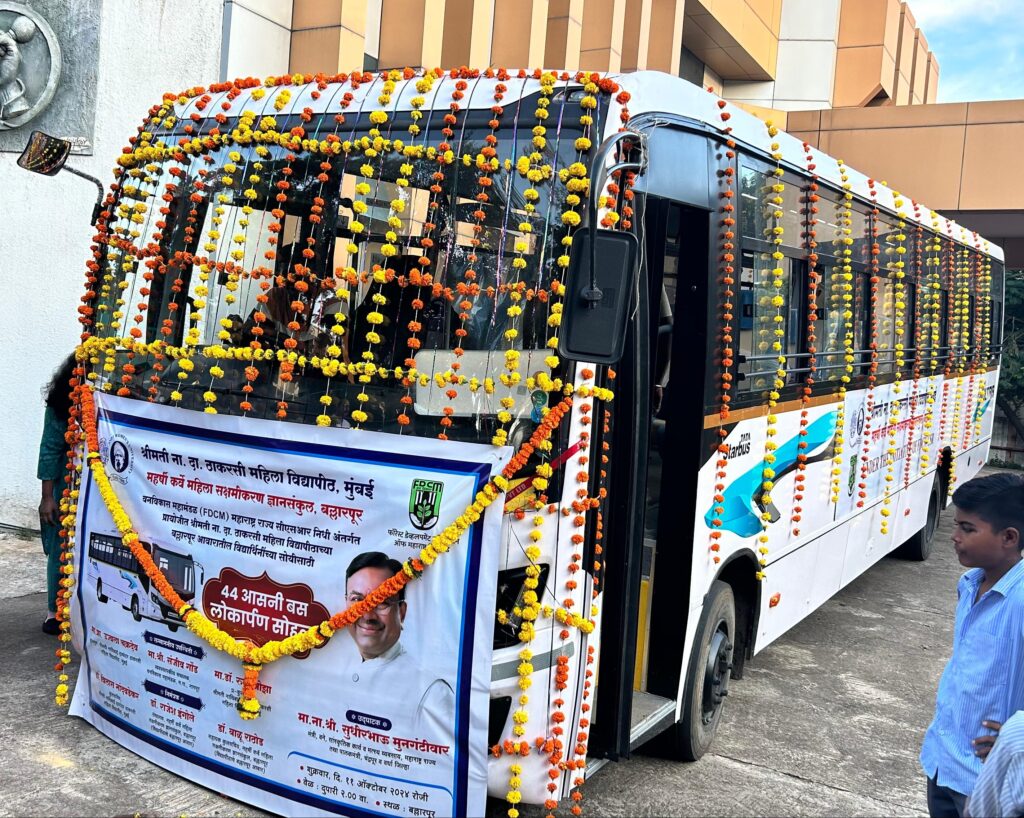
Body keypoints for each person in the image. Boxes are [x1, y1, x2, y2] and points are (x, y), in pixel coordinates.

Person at [920, 472, 1024, 817]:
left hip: (986, 779)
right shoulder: (969, 584)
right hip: (943, 761)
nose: (954, 536)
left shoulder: (1021, 601)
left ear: (1009, 537)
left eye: (968, 528)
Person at [343, 551, 455, 740]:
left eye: (382, 603)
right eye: (357, 600)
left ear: (401, 612)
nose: (367, 615)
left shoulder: (432, 693)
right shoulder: (324, 667)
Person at [38, 354, 76, 635]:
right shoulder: (62, 404)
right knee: (61, 547)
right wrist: (48, 497)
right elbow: (49, 449)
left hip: (101, 488)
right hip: (66, 485)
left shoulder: (111, 398)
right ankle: (55, 612)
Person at [966, 710, 1024, 817]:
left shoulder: (1019, 730)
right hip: (941, 764)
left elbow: (979, 812)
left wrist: (1008, 737)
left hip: (974, 777)